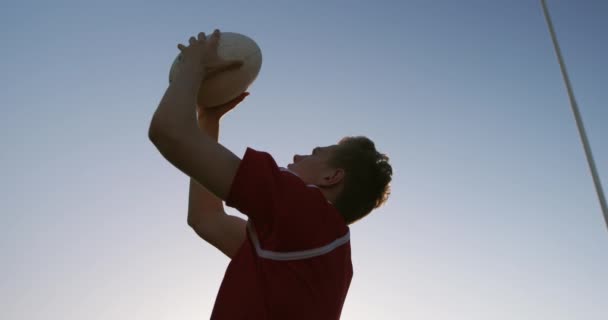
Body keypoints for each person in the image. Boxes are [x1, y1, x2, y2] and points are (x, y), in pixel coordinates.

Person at [149, 29, 392, 319]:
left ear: (332, 177)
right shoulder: (311, 246)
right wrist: (208, 119)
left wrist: (194, 64)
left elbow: (170, 132)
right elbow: (207, 219)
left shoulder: (308, 214)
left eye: (315, 153)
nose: (299, 156)